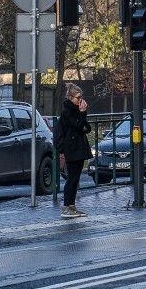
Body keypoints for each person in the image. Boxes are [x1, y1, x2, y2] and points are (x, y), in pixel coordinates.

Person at [56, 83, 92, 219]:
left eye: (81, 97)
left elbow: (87, 127)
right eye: (78, 98)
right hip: (71, 149)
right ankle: (66, 207)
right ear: (71, 98)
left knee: (76, 179)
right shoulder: (68, 111)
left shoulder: (78, 111)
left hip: (79, 148)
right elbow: (78, 125)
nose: (81, 101)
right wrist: (82, 116)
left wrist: (82, 119)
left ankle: (72, 205)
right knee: (71, 178)